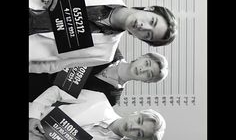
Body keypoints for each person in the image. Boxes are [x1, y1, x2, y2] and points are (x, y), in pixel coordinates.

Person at [29, 0, 177, 73]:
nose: (143, 26)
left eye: (148, 35)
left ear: (142, 39)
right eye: (152, 21)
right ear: (149, 9)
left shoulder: (105, 54)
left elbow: (53, 65)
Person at [29, 87, 166, 140]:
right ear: (137, 113)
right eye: (139, 121)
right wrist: (34, 114)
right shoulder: (100, 100)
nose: (133, 127)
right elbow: (58, 92)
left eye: (139, 133)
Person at [29, 49, 168, 104]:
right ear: (142, 56)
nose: (142, 69)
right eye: (147, 63)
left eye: (148, 74)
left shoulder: (112, 98)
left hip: (37, 95)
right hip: (39, 61)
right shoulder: (111, 50)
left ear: (146, 81)